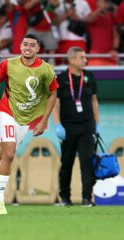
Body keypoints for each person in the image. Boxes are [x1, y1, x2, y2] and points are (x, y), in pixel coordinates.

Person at [0, 34, 58, 215]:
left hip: (26, 119)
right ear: (21, 46)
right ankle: (0, 201)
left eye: (32, 45)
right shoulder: (9, 64)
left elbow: (53, 94)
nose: (28, 47)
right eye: (25, 44)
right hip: (6, 111)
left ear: (38, 49)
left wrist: (44, 120)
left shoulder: (46, 70)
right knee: (9, 154)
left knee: (1, 157)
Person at [52, 47, 99, 207]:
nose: (85, 60)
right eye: (81, 57)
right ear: (71, 60)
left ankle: (87, 199)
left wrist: (97, 124)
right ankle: (65, 199)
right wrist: (58, 125)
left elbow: (94, 101)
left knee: (87, 163)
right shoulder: (61, 78)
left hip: (87, 127)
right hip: (68, 128)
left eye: (85, 57)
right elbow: (54, 104)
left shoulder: (90, 76)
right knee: (67, 163)